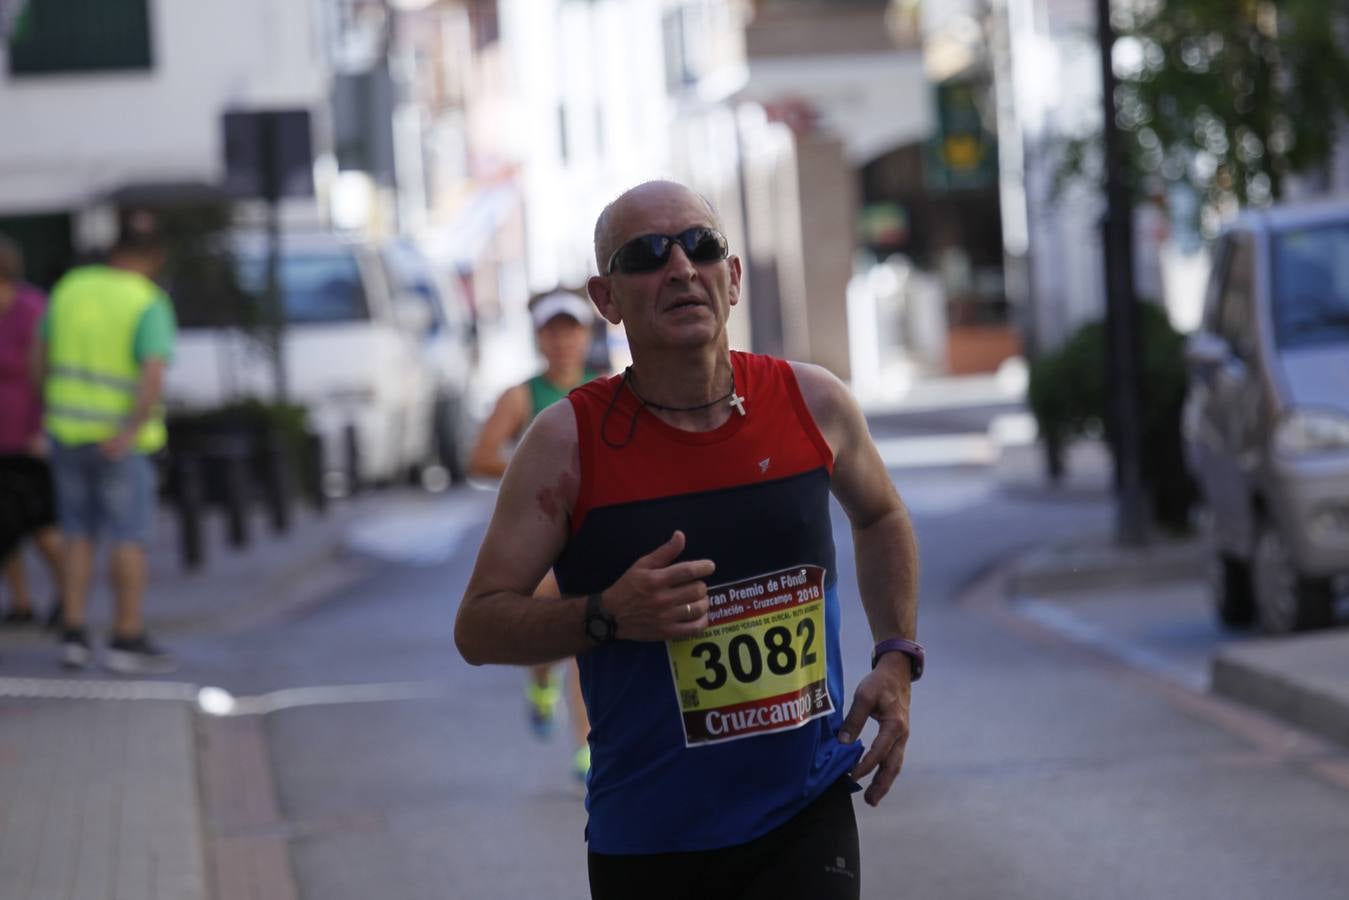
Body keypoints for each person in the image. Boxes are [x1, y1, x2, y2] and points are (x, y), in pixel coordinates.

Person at [455, 180, 921, 900]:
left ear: (730, 278)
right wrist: (605, 614)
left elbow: (882, 516)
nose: (679, 268)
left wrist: (895, 655)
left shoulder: (812, 403)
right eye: (644, 255)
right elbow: (479, 625)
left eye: (700, 246)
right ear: (605, 298)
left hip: (804, 809)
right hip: (651, 837)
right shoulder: (566, 444)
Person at [34, 211, 178, 673]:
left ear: (115, 252)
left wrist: (51, 409)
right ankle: (126, 636)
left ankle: (73, 634)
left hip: (66, 432)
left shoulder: (71, 288)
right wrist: (130, 430)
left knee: (76, 533)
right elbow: (152, 374)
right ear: (153, 258)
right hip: (120, 442)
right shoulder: (148, 301)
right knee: (127, 537)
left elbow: (37, 355)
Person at [467, 289, 602, 783]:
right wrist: (537, 466)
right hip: (538, 533)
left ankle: (588, 744)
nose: (563, 341)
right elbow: (479, 458)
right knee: (552, 628)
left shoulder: (605, 388)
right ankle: (541, 681)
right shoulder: (522, 396)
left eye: (572, 330)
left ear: (587, 335)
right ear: (540, 339)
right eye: (553, 331)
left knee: (588, 629)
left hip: (590, 529)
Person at [0, 235, 64, 629]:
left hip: (26, 430)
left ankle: (68, 593)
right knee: (4, 525)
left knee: (40, 524)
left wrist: (42, 428)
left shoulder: (32, 308)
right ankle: (20, 602)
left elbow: (46, 373)